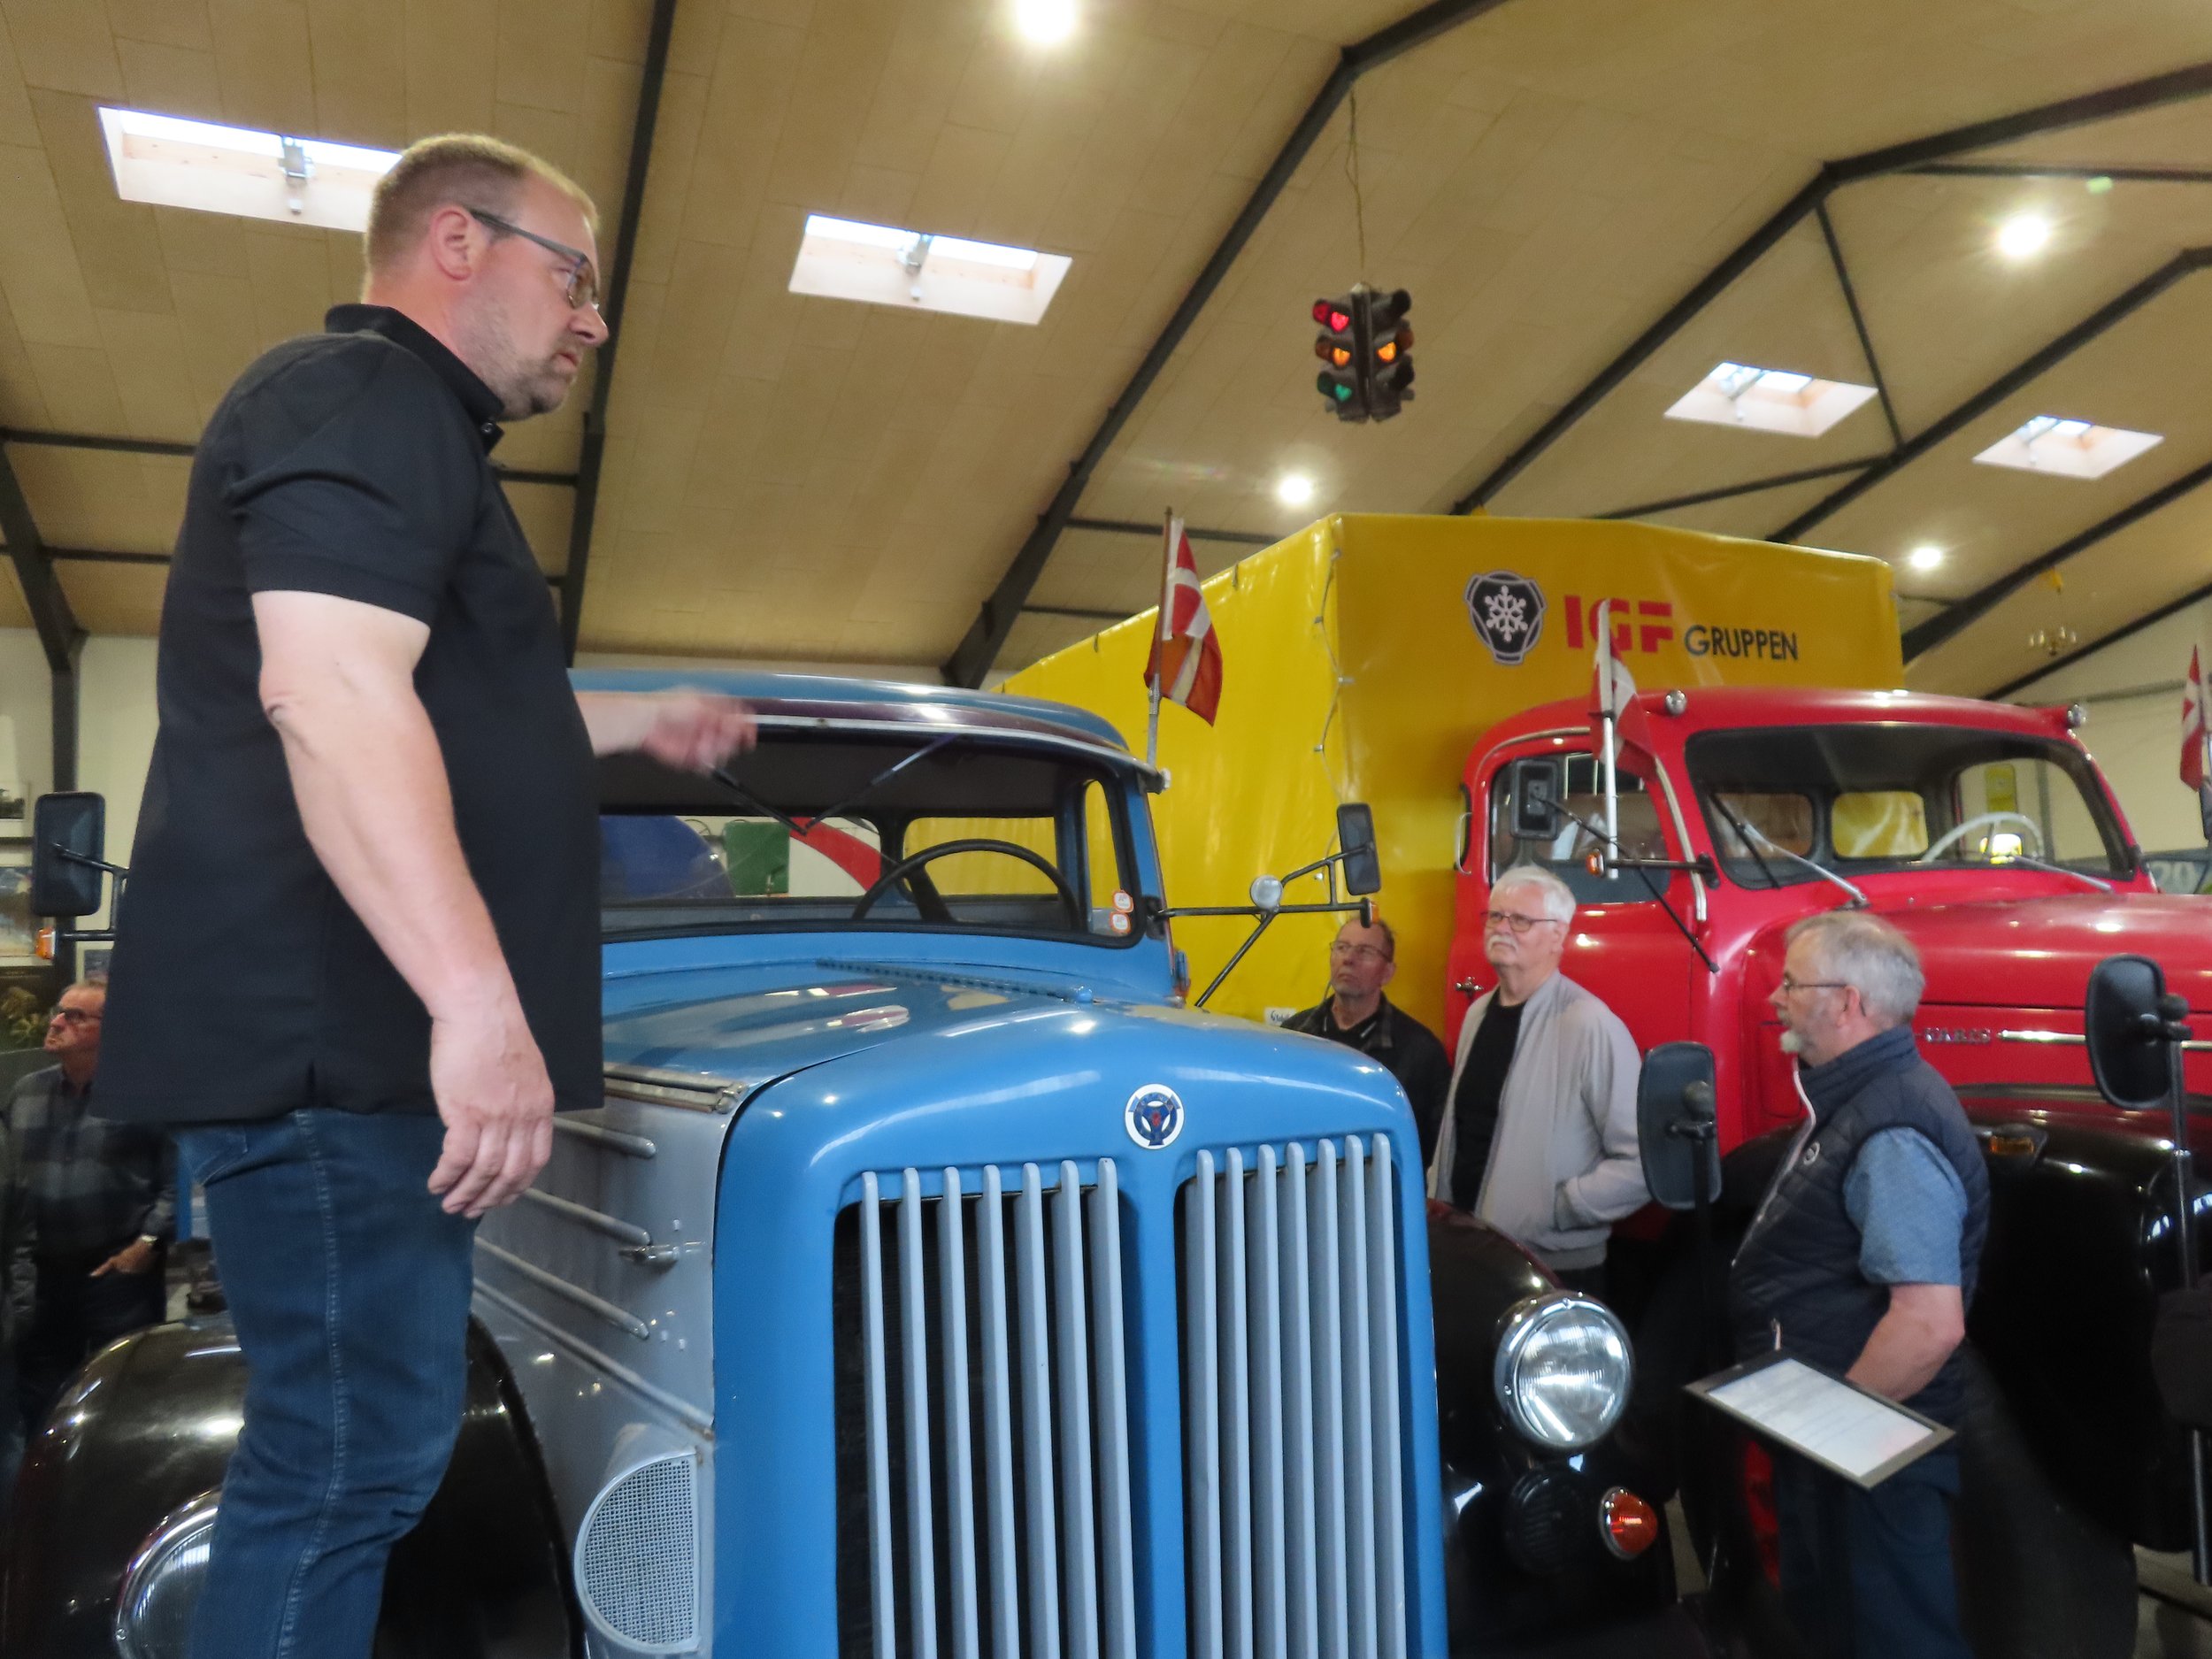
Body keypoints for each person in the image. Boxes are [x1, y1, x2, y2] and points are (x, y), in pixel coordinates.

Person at [94, 135, 756, 1659]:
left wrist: (638, 719)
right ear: (457, 241)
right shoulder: (360, 395)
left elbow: (444, 691)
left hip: (351, 1062)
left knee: (359, 1460)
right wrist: (476, 1004)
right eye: (573, 275)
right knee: (346, 1466)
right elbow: (330, 692)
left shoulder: (416, 437)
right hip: (341, 1055)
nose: (592, 318)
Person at [1730, 910, 1989, 1659]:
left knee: (1891, 1636)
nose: (1776, 998)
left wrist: (1831, 1428)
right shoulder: (1857, 1100)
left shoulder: (1893, 1128)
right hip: (1839, 1445)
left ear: (1848, 1002)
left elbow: (1928, 1323)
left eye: (1792, 983)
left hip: (1870, 1457)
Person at [1425, 864, 1646, 1296]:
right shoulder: (1477, 1015)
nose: (1502, 928)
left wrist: (1564, 1207)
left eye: (1520, 920)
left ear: (1558, 936)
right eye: (1495, 916)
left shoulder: (1589, 1024)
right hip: (1470, 1252)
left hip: (1554, 1269)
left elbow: (1642, 1161)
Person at [7, 978, 174, 1435]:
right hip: (40, 1275)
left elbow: (178, 1177)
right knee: (40, 1397)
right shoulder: (26, 1093)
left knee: (124, 1390)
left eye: (75, 1016)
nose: (57, 1022)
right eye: (59, 1011)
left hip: (116, 1273)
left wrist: (148, 1243)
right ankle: (47, 1474)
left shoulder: (144, 1095)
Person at [1282, 916, 1452, 1163]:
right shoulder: (1294, 1036)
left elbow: (1435, 1147)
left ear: (1387, 973)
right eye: (1342, 948)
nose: (1348, 959)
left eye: (1365, 952)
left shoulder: (1420, 1052)